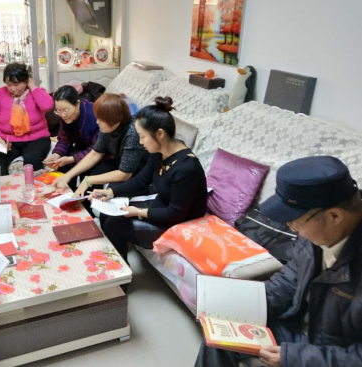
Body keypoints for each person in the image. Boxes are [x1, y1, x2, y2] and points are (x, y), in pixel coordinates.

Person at [195, 156, 362, 367]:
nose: (292, 229)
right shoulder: (318, 233)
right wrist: (237, 304)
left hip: (333, 352)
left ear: (334, 216)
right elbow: (289, 280)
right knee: (220, 336)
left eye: (293, 222)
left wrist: (295, 358)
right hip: (301, 328)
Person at [91, 97, 207, 262]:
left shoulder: (186, 168)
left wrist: (138, 212)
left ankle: (121, 271)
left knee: (114, 224)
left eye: (142, 136)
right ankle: (118, 262)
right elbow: (141, 180)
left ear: (159, 134)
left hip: (180, 222)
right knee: (106, 214)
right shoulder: (160, 151)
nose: (140, 142)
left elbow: (176, 213)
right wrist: (109, 192)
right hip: (163, 207)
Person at [53, 93, 147, 197]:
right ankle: (80, 200)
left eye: (100, 120)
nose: (97, 122)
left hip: (139, 171)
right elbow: (95, 153)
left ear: (113, 119)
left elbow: (125, 173)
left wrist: (88, 180)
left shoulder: (132, 132)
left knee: (104, 182)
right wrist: (68, 175)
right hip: (120, 161)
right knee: (88, 170)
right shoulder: (106, 127)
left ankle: (87, 202)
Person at [0, 62, 54, 175]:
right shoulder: (0, 93)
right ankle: (5, 186)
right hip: (8, 141)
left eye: (16, 84)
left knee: (32, 159)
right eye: (9, 84)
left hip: (37, 139)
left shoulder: (35, 92)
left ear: (25, 81)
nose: (12, 88)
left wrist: (32, 85)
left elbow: (47, 106)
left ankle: (35, 186)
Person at [43, 85, 100, 172]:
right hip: (82, 148)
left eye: (66, 110)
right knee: (61, 166)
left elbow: (97, 150)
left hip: (98, 153)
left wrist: (72, 159)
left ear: (78, 104)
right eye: (58, 110)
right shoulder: (65, 116)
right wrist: (56, 155)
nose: (63, 115)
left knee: (88, 171)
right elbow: (64, 140)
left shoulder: (94, 115)